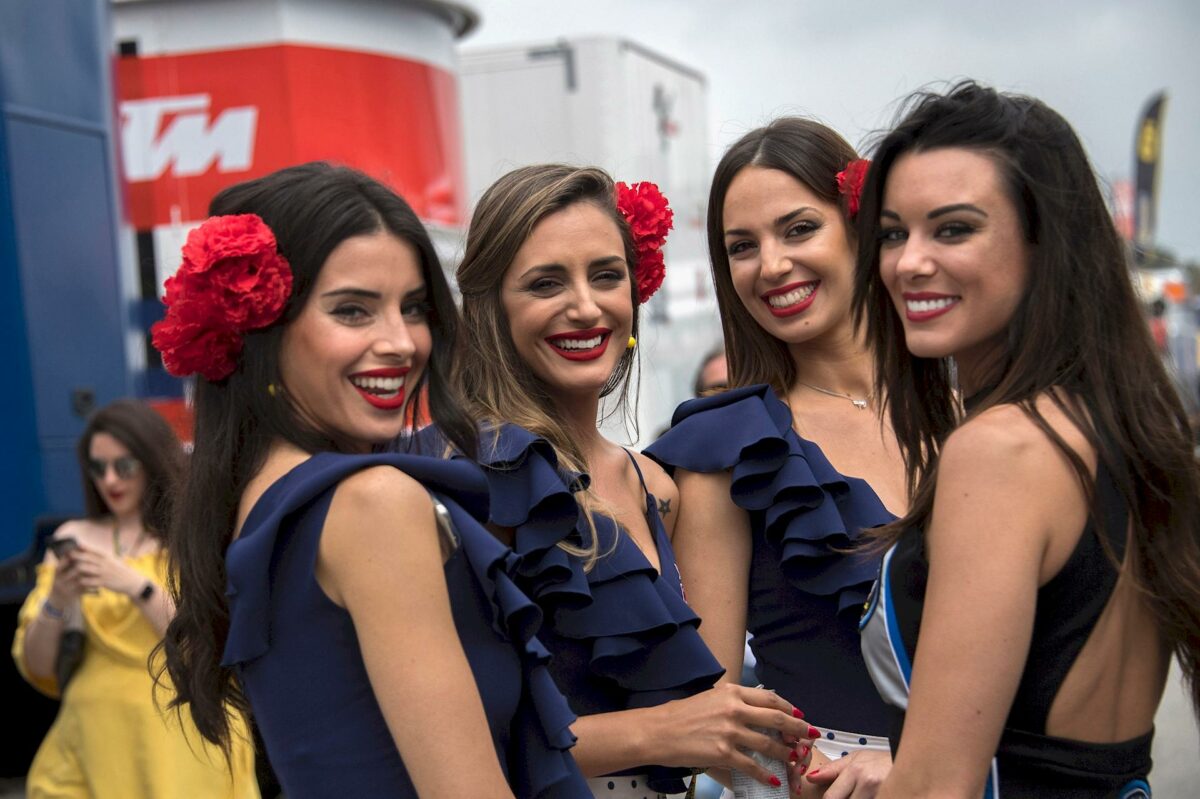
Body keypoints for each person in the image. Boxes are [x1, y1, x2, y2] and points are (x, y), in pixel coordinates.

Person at [154, 163, 586, 798]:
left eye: (413, 308)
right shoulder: (372, 504)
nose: (401, 342)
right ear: (262, 328)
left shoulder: (262, 502)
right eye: (352, 310)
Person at [854, 81, 1200, 797]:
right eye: (893, 232)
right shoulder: (1126, 427)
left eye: (953, 229)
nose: (908, 262)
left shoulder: (1003, 449)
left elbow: (938, 788)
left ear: (1046, 242)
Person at [439, 164, 814, 797]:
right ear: (490, 309)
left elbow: (699, 732)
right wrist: (663, 731)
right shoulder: (476, 478)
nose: (585, 307)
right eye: (545, 283)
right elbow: (453, 739)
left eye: (606, 276)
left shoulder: (656, 486)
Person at [644, 119, 903, 796]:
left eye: (797, 229)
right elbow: (714, 721)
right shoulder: (731, 447)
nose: (772, 264)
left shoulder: (973, 417)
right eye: (742, 246)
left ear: (860, 225)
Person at [12, 398, 259, 798]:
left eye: (123, 466)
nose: (109, 480)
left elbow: (208, 649)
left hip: (181, 737)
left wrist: (134, 584)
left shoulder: (193, 536)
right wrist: (57, 599)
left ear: (151, 460)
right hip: (92, 738)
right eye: (98, 468)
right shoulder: (72, 538)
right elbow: (39, 667)